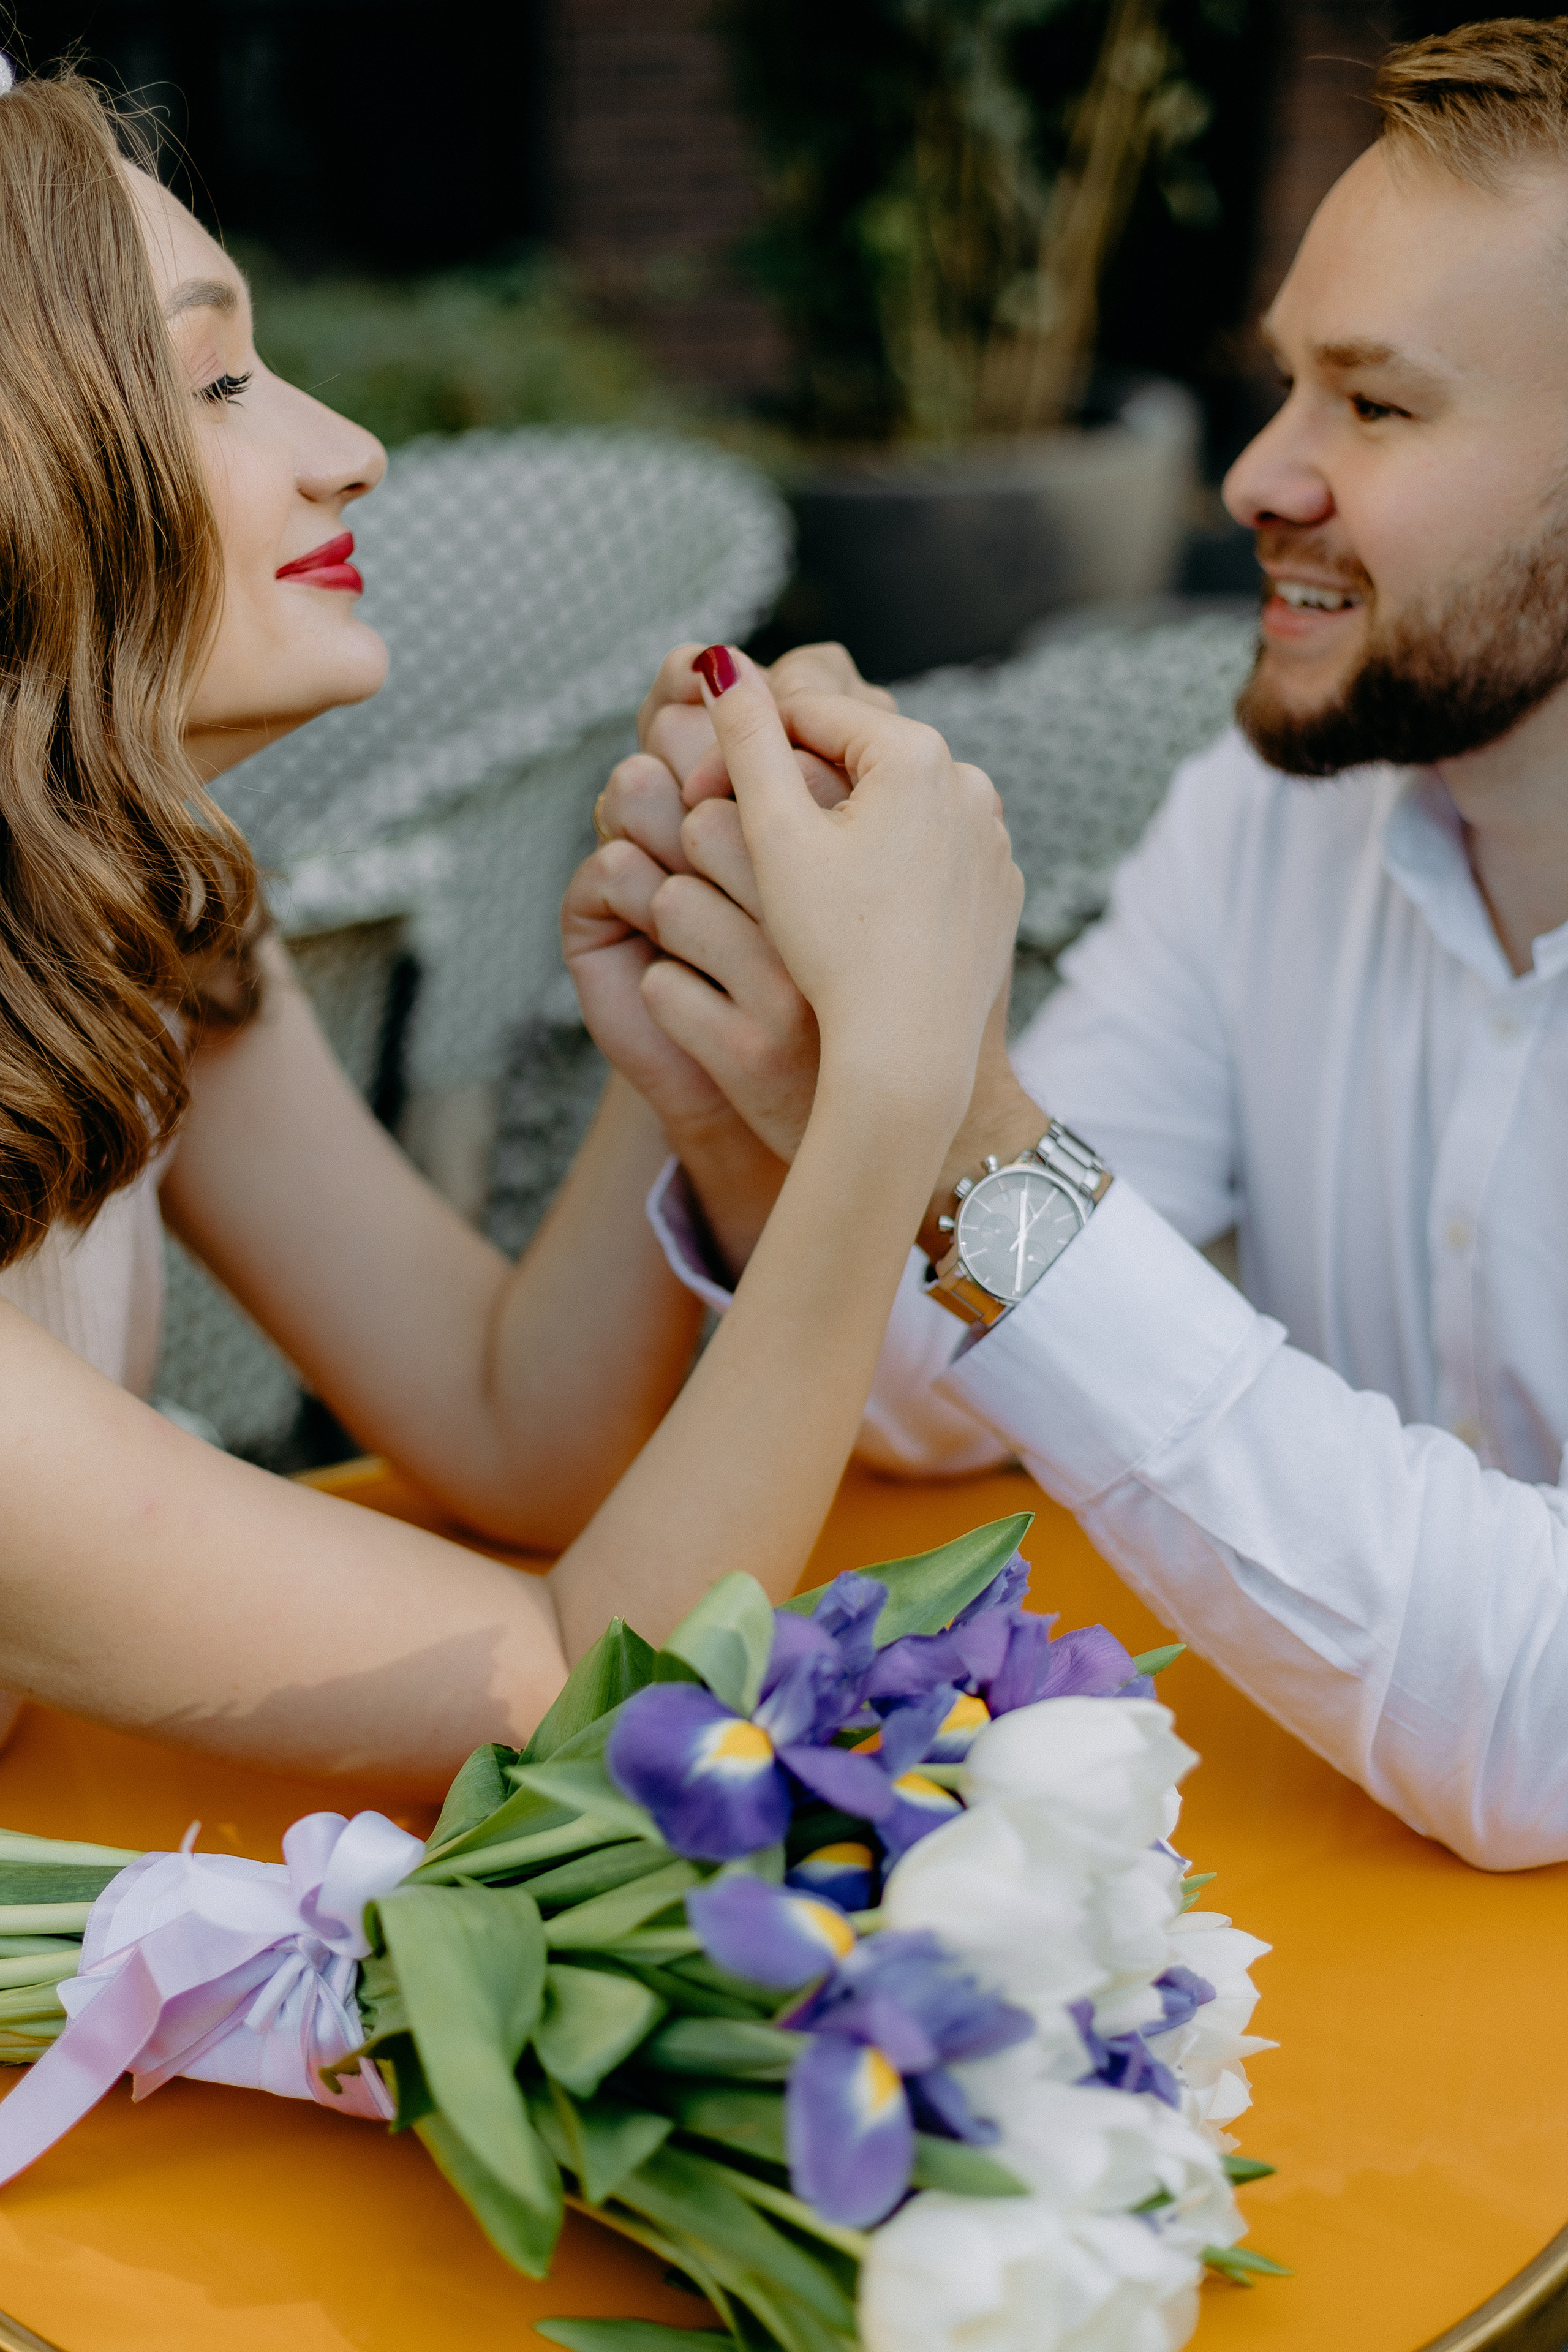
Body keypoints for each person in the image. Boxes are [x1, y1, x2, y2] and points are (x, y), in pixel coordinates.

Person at [573, 15, 1568, 1873]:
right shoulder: (1275, 819)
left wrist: (944, 1112)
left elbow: (1537, 1718)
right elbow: (954, 1375)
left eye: (1376, 403)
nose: (1258, 476)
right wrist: (776, 1087)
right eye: (1284, 387)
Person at [0, 71, 1020, 1793]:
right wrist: (897, 1088)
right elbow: (592, 1698)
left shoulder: (124, 940)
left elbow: (511, 1428)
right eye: (214, 380)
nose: (348, 448)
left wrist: (695, 993)